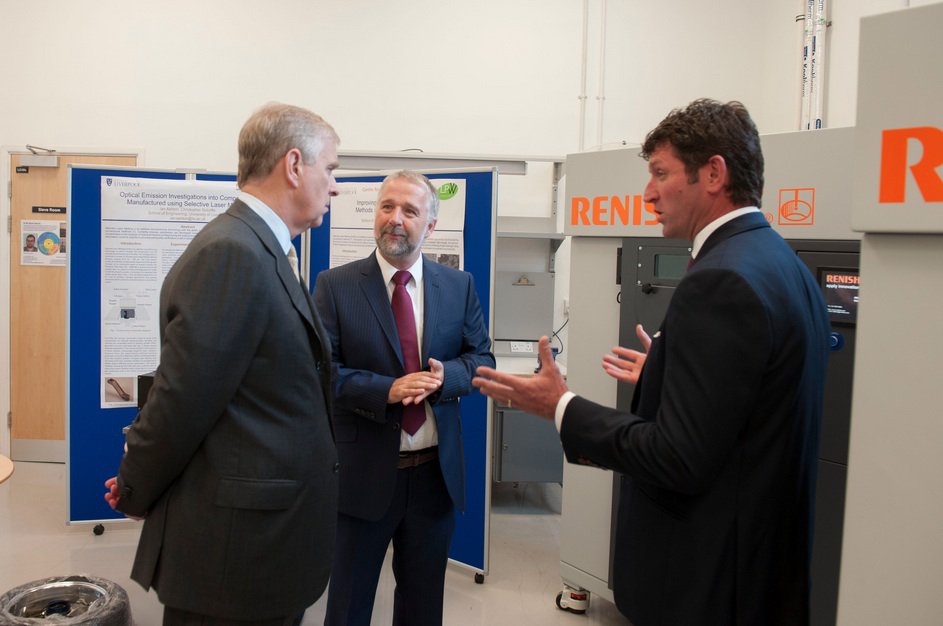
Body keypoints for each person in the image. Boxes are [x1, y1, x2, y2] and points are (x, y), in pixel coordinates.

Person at [474, 99, 830, 626]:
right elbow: (749, 409)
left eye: (661, 174)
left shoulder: (720, 281)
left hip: (705, 583)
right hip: (760, 569)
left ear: (713, 173)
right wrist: (668, 376)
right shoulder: (784, 264)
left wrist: (560, 405)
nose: (647, 193)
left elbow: (678, 458)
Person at [104, 102, 340, 626]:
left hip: (259, 548)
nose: (335, 185)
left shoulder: (262, 249)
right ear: (294, 165)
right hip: (237, 558)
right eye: (331, 169)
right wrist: (137, 484)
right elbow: (183, 400)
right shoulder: (233, 254)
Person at [313, 170, 494, 626]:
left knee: (421, 608)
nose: (395, 219)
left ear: (430, 225)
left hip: (434, 478)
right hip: (364, 478)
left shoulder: (459, 286)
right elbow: (319, 372)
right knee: (349, 607)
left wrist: (447, 377)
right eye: (387, 207)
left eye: (410, 211)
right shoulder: (335, 286)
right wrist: (386, 390)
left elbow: (481, 358)